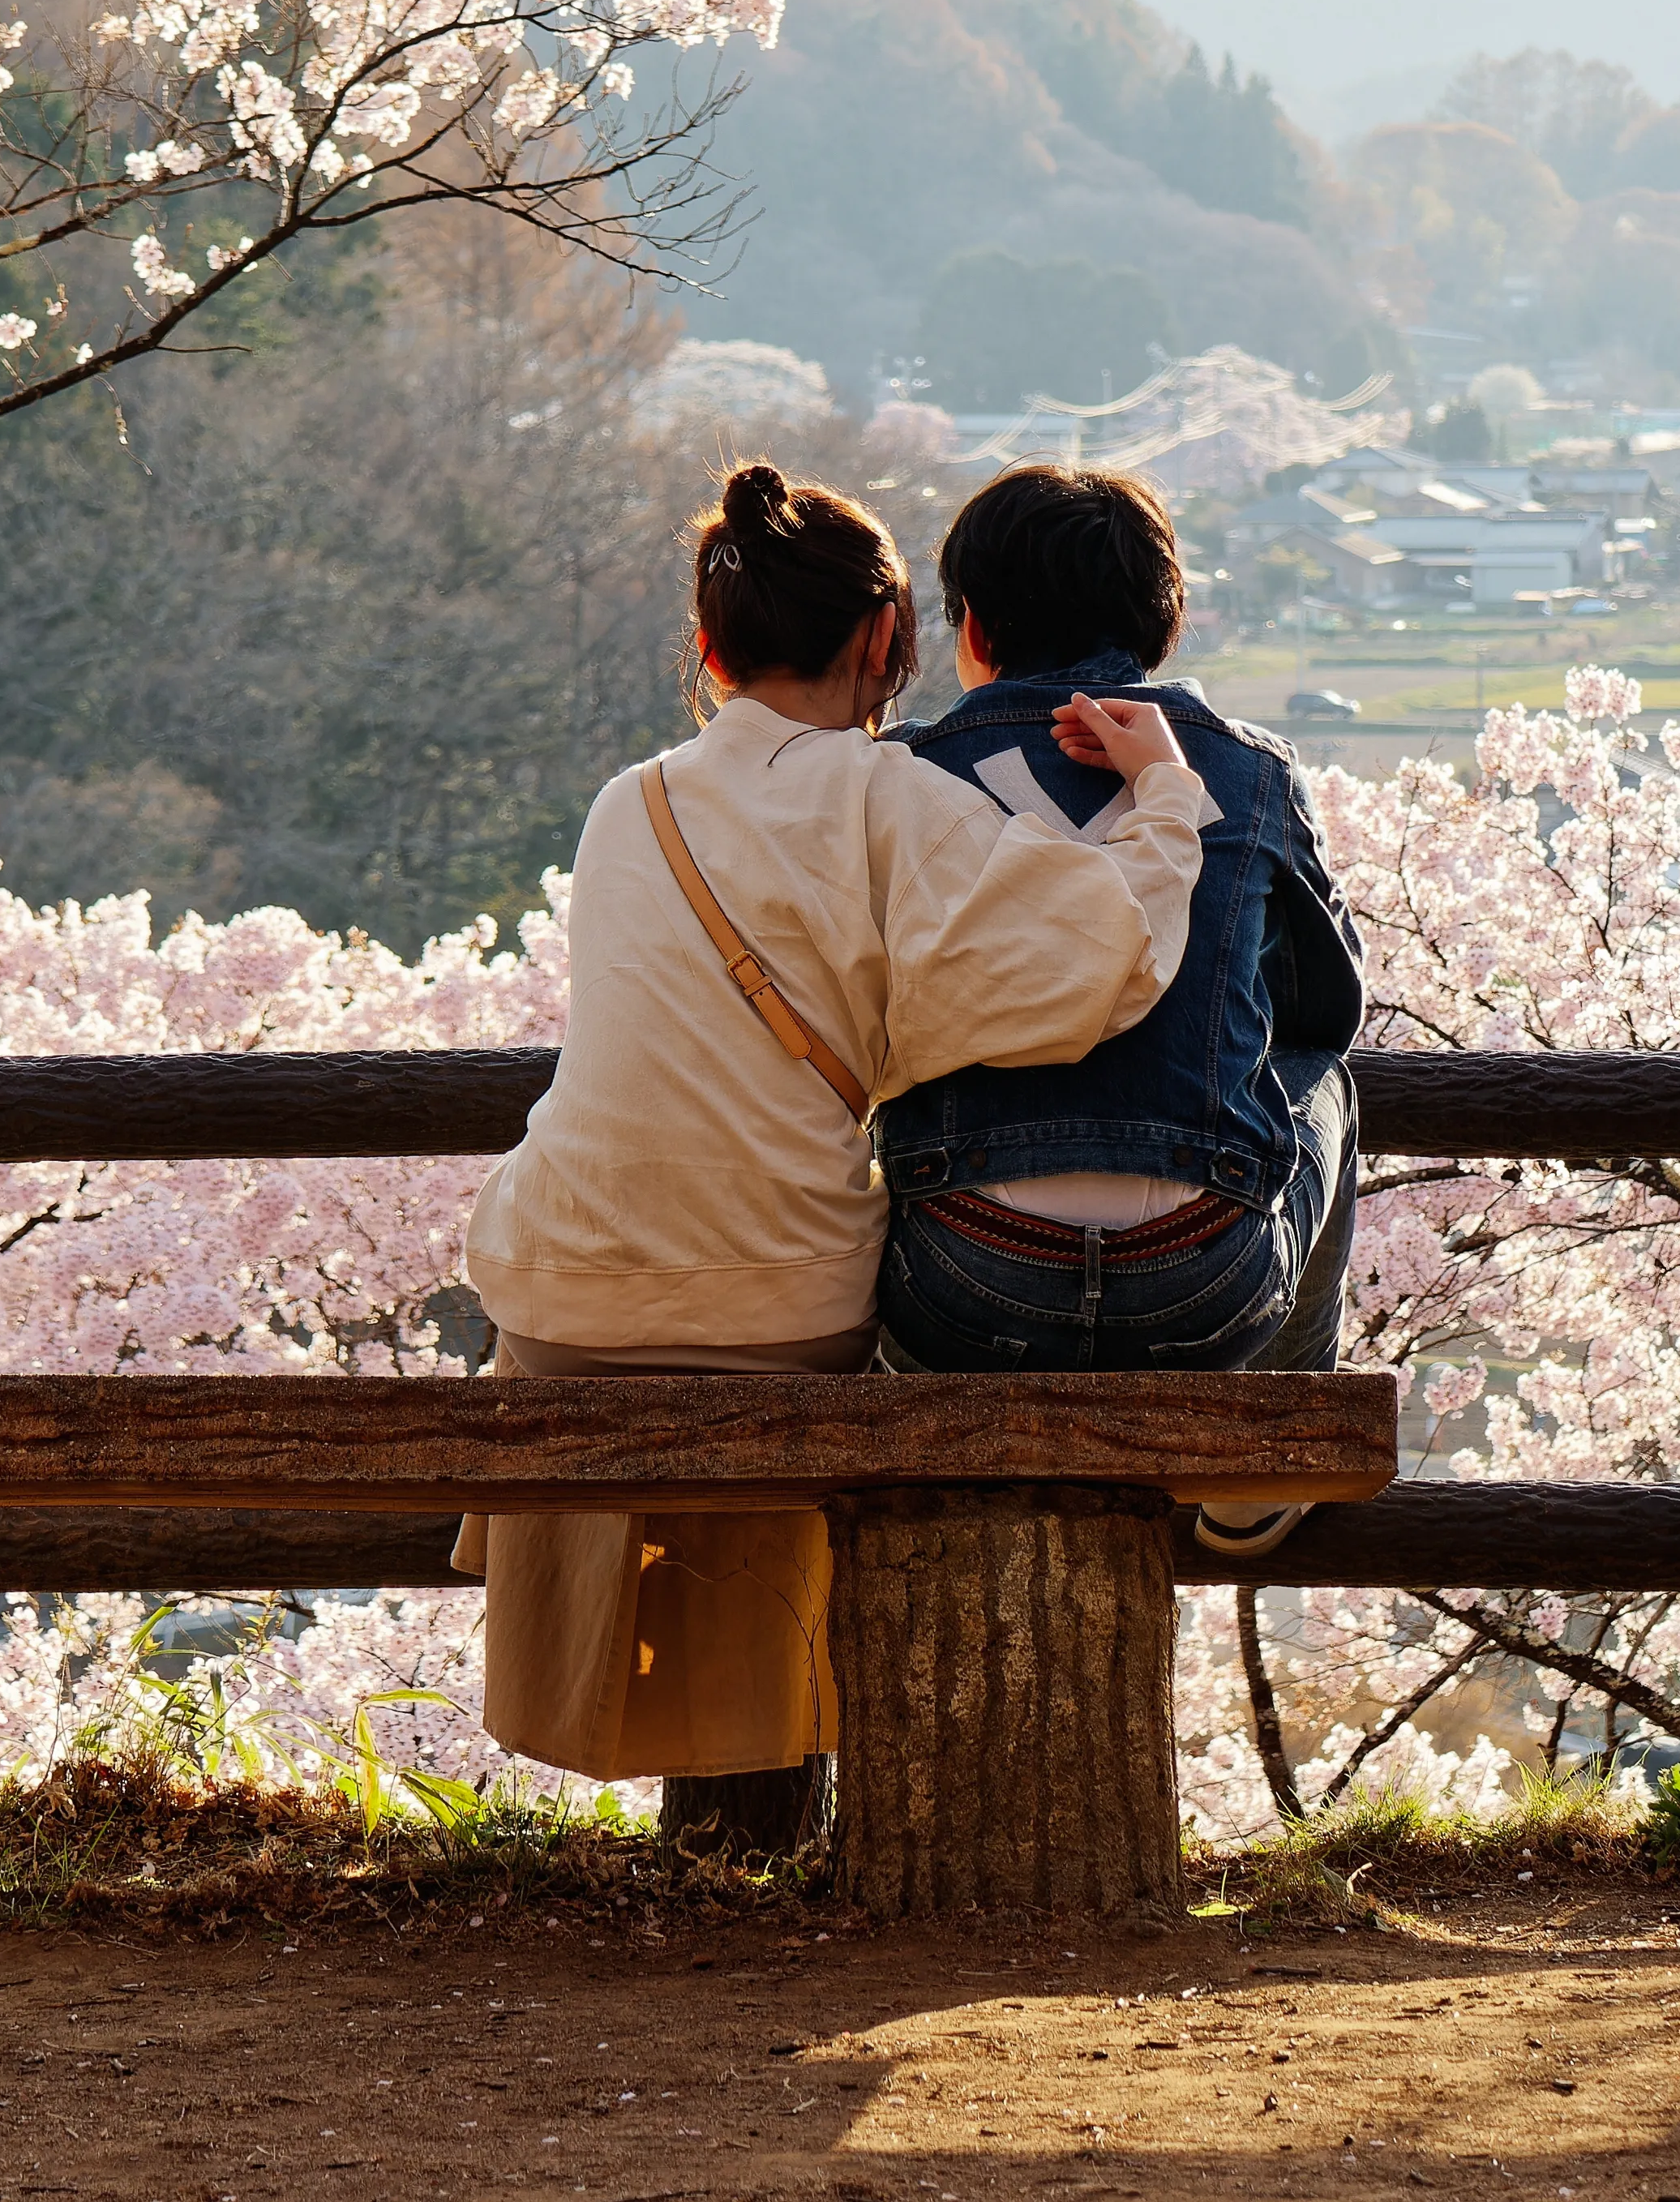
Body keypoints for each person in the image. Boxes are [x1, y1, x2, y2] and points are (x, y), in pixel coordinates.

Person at [458, 460, 1215, 1792]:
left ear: (706, 647)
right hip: (773, 1305)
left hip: (558, 1285)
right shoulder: (890, 799)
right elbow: (1090, 962)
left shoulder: (624, 805)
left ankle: (671, 1787)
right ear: (884, 638)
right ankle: (764, 1781)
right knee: (848, 1339)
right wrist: (1165, 802)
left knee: (594, 1319)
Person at [872, 463, 1368, 1561]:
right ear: (1162, 622)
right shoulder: (1244, 769)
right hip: (1201, 1282)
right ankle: (1258, 1455)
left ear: (973, 627)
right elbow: (1324, 1008)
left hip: (959, 1281)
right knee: (1325, 1084)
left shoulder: (895, 778)